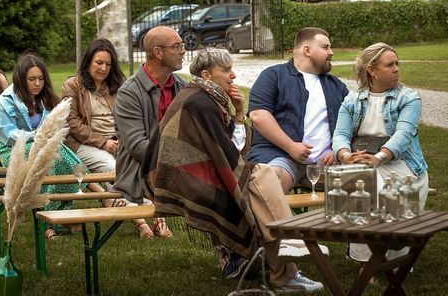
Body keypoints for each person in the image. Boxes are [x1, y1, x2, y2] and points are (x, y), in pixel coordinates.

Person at [143, 48, 325, 292]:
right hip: (183, 181)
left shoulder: (204, 96)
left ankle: (286, 259)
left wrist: (239, 112)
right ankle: (287, 254)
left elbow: (229, 151)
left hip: (195, 174)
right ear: (207, 75)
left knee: (262, 181)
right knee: (261, 180)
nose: (234, 75)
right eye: (226, 70)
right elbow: (229, 155)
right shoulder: (201, 102)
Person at [0, 52, 113, 240]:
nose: (37, 83)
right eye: (31, 79)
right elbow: (8, 134)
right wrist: (38, 136)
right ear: (21, 79)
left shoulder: (46, 97)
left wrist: (46, 138)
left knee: (55, 156)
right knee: (52, 152)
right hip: (13, 150)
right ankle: (98, 194)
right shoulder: (6, 100)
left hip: (47, 148)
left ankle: (55, 218)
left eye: (41, 78)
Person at [332, 42, 429, 265]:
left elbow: (404, 134)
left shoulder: (409, 98)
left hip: (401, 164)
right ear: (372, 71)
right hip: (363, 163)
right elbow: (339, 135)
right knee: (358, 180)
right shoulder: (352, 101)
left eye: (397, 64)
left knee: (374, 185)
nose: (396, 69)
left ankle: (389, 257)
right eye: (390, 65)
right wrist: (347, 156)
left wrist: (379, 157)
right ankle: (371, 262)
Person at [61, 38, 152, 239]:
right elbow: (72, 123)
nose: (103, 68)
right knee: (111, 167)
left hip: (117, 141)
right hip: (83, 144)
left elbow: (129, 118)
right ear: (88, 62)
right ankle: (141, 221)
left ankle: (143, 208)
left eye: (108, 64)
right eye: (99, 63)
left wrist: (123, 140)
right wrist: (103, 142)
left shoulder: (118, 86)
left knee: (141, 163)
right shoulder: (73, 85)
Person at [247, 27, 349, 193]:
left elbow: (353, 122)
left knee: (366, 181)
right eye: (325, 47)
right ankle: (280, 220)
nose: (331, 52)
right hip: (281, 158)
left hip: (328, 165)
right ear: (306, 50)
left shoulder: (337, 86)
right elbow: (258, 115)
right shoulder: (274, 76)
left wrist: (337, 149)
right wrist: (291, 147)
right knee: (269, 181)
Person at [113, 26, 186, 238]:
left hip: (178, 166)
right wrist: (180, 158)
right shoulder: (129, 92)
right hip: (140, 171)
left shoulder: (182, 88)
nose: (183, 51)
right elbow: (138, 148)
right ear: (158, 52)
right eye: (177, 46)